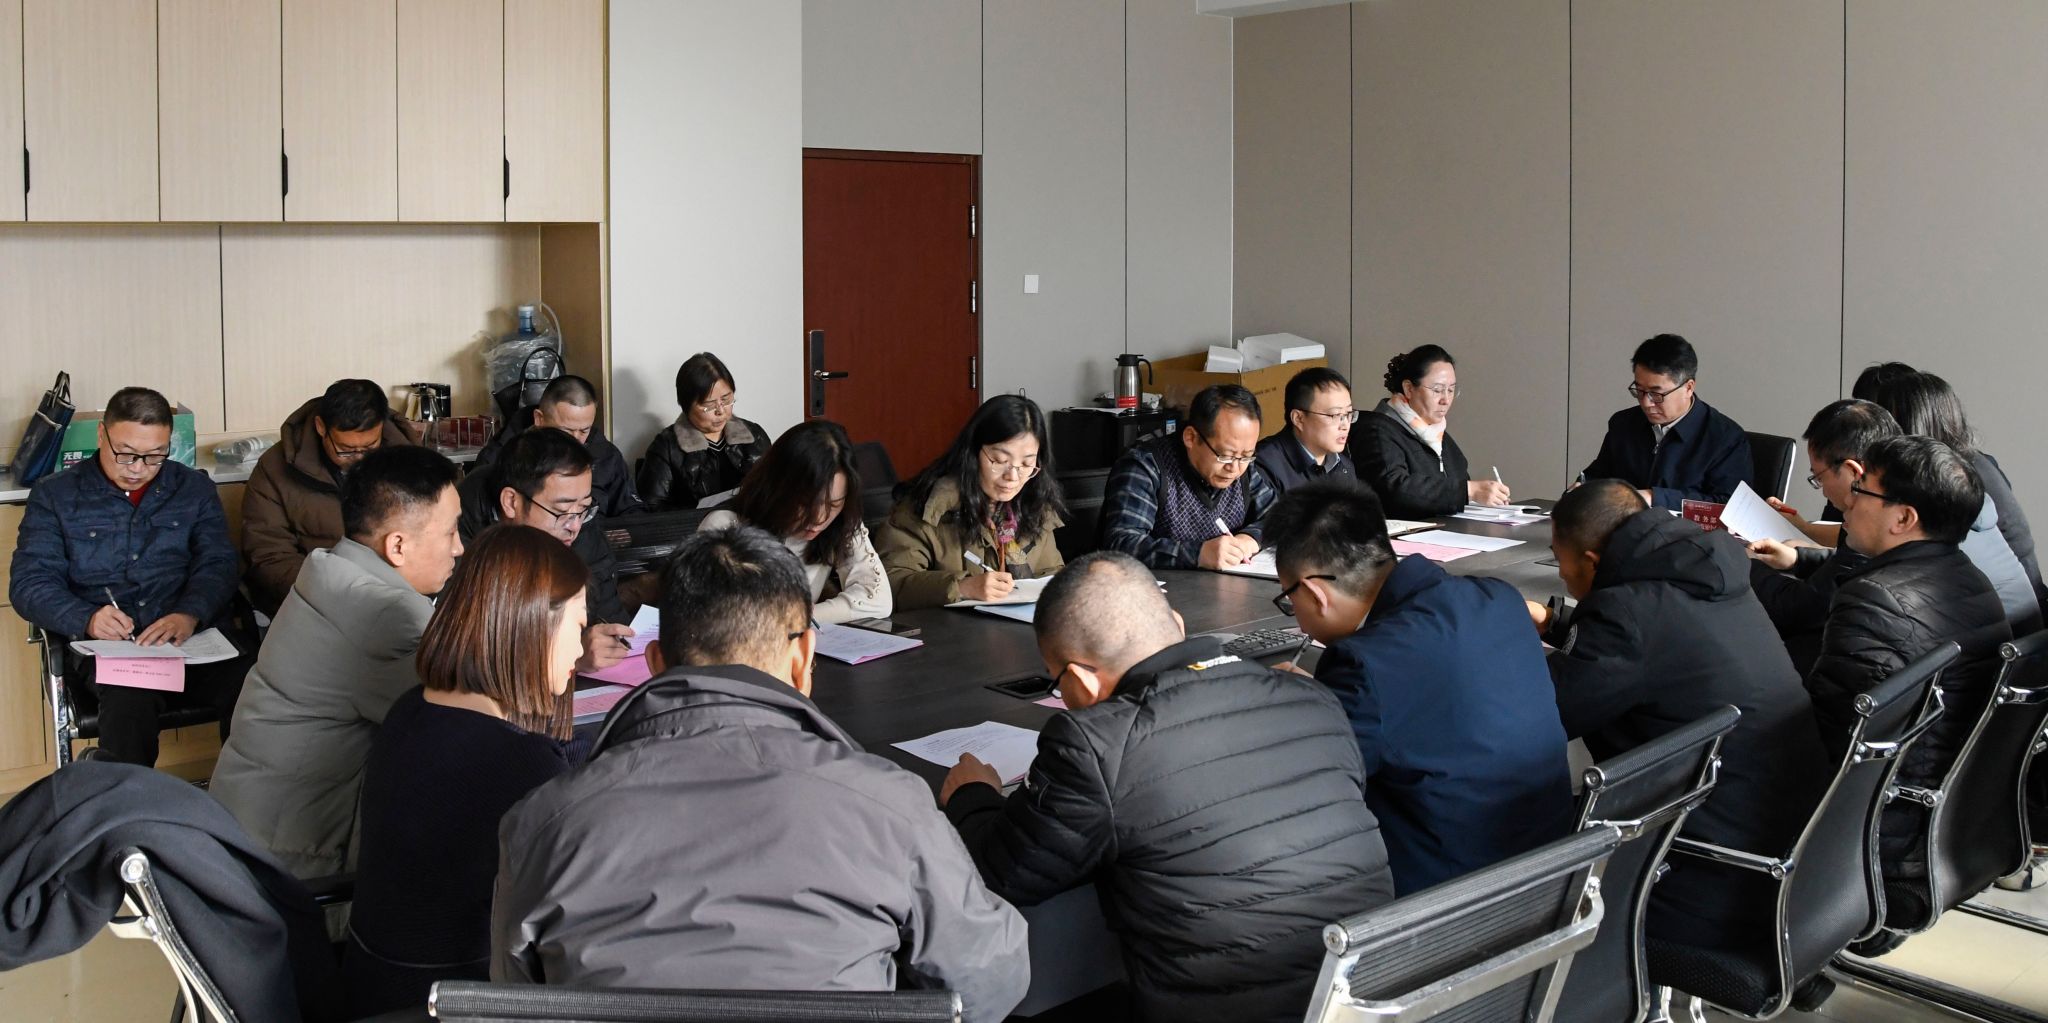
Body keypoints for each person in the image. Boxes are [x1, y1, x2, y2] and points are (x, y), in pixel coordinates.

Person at [491, 527, 1029, 1021]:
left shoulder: (542, 821)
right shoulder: (890, 803)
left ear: (654, 663)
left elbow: (514, 1000)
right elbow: (990, 981)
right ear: (803, 657)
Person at [942, 551, 1394, 1023]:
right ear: (1177, 624)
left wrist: (973, 796)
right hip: (1367, 998)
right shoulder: (1312, 697)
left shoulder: (1096, 746)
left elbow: (1004, 873)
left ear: (1079, 680)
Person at [1532, 481, 1829, 944]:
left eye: (1559, 558)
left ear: (1591, 559)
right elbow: (1667, 645)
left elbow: (1540, 720)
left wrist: (1497, 649)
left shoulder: (1627, 615)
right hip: (1797, 860)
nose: (1562, 573)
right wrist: (1557, 623)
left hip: (1707, 878)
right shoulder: (1710, 573)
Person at [1261, 479, 1570, 894]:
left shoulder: (1363, 664)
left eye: (1290, 600)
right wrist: (1333, 703)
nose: (1298, 622)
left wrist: (1305, 710)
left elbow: (1310, 786)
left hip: (1450, 901)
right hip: (1552, 872)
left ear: (1316, 593)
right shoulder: (1497, 598)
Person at [341, 524, 579, 1016]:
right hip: (451, 1002)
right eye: (577, 627)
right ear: (533, 627)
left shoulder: (410, 709)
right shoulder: (520, 763)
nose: (579, 651)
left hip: (370, 986)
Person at [210, 446, 465, 878]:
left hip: (242, 825)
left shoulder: (330, 569)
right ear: (397, 545)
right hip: (293, 862)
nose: (459, 548)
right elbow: (454, 725)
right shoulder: (387, 613)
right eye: (451, 532)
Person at [1803, 436, 2011, 887]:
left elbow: (1824, 747)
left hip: (1879, 839)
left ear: (1903, 518)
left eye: (1862, 490)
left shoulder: (1874, 600)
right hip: (1953, 821)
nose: (1847, 502)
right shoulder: (1972, 579)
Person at [10, 387, 245, 767]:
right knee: (130, 704)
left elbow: (218, 563)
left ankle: (243, 800)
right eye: (126, 453)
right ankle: (127, 802)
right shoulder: (56, 495)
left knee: (258, 691)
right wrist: (87, 618)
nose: (137, 468)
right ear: (101, 435)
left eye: (154, 456)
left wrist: (189, 613)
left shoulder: (193, 488)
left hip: (190, 639)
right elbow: (29, 583)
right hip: (114, 651)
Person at [1752, 401, 2039, 672]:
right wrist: (1800, 557)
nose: (1849, 499)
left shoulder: (1875, 594)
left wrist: (1737, 561)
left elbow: (1802, 612)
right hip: (2006, 678)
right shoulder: (1948, 537)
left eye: (1819, 477)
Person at [1856, 366, 2044, 606]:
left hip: (2003, 619)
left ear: (1907, 424)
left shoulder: (1949, 481)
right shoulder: (1969, 465)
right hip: (2015, 613)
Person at [457, 428, 633, 670]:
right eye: (560, 511)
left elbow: (606, 606)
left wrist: (608, 638)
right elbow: (469, 651)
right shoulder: (458, 538)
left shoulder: (580, 518)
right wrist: (567, 655)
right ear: (511, 502)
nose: (574, 526)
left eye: (584, 507)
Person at [241, 379, 418, 616]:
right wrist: (335, 594)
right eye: (346, 450)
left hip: (398, 596)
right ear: (321, 427)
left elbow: (435, 535)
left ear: (382, 427)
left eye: (369, 447)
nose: (359, 458)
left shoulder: (412, 461)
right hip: (316, 601)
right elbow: (270, 554)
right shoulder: (276, 468)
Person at [875, 395, 1066, 609]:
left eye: (1026, 464)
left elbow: (1051, 573)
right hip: (944, 627)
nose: (1013, 476)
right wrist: (962, 587)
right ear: (973, 452)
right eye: (1000, 461)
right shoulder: (928, 507)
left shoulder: (1034, 505)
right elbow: (890, 584)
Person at [700, 420, 889, 624]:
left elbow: (877, 600)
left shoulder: (841, 521)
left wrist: (801, 616)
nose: (819, 518)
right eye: (806, 504)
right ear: (778, 488)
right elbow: (712, 617)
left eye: (834, 504)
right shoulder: (725, 527)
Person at [1100, 384, 1277, 570]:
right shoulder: (1146, 466)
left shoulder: (1242, 467)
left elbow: (1281, 517)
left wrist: (1250, 539)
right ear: (1191, 437)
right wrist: (1198, 554)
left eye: (1246, 455)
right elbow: (1121, 544)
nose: (1234, 468)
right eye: (1225, 455)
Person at [1580, 333, 1751, 510]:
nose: (1646, 403)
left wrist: (1653, 497)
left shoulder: (1726, 438)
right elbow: (1600, 475)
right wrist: (1583, 488)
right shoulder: (1623, 423)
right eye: (1639, 390)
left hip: (1684, 528)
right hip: (1623, 524)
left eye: (1656, 394)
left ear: (1688, 388)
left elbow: (1728, 505)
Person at [1351, 346, 1510, 517]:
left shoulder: (1439, 436)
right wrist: (1468, 491)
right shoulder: (1376, 430)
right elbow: (1393, 489)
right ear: (1409, 389)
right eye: (1437, 390)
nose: (1446, 400)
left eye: (1451, 390)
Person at [474, 374, 642, 519]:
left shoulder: (606, 456)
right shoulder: (498, 458)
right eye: (566, 431)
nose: (576, 440)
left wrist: (615, 535)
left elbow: (632, 513)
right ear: (539, 419)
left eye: (584, 430)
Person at [638, 352, 772, 510]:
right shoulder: (666, 447)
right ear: (686, 405)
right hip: (694, 525)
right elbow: (653, 508)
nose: (720, 411)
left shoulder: (754, 435)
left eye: (726, 400)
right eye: (709, 405)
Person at [1254, 366, 1359, 492]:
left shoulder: (1344, 466)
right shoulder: (1265, 466)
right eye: (1335, 415)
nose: (1345, 425)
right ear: (1299, 419)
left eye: (1348, 414)